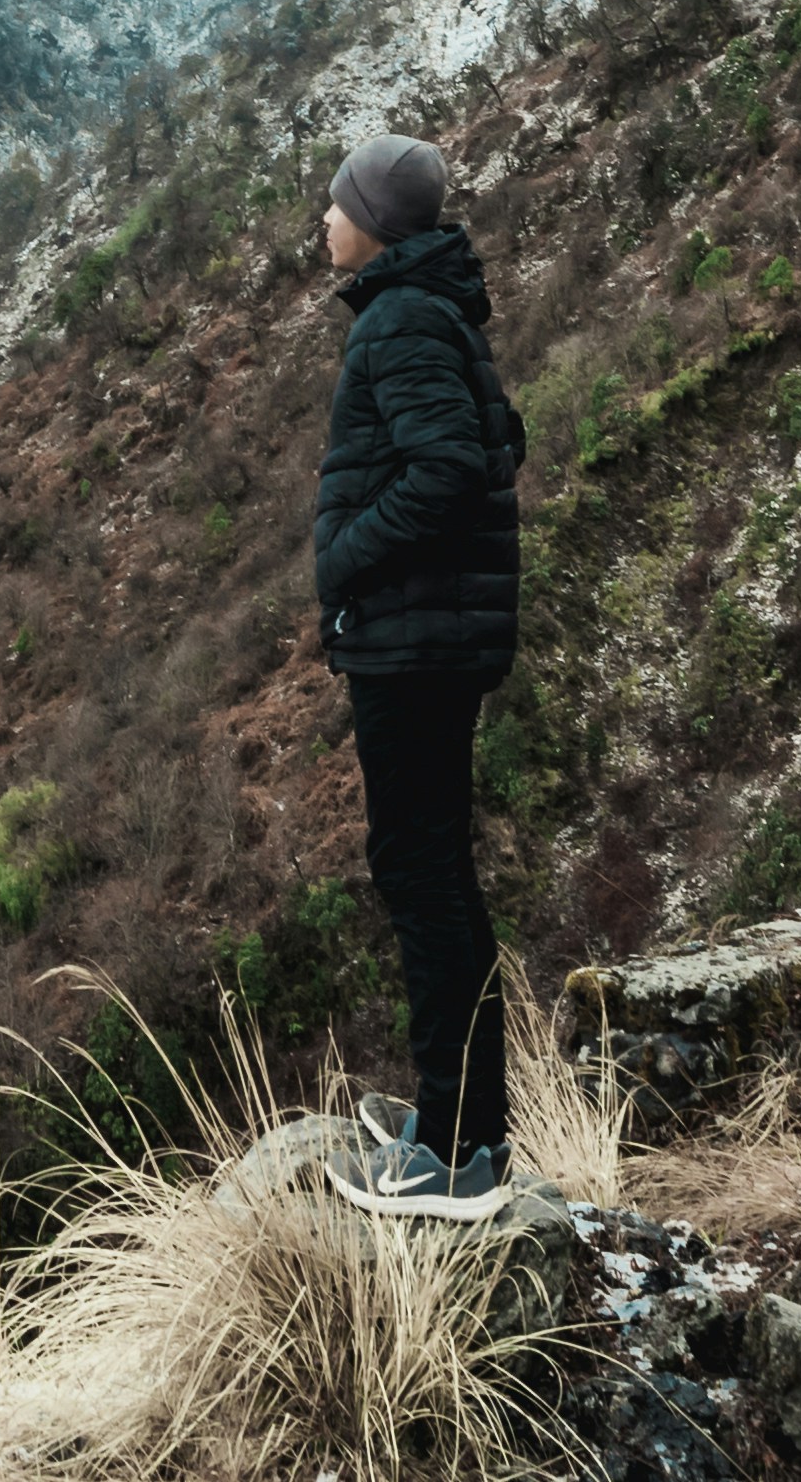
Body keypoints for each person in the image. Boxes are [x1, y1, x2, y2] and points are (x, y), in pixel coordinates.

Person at [304, 132, 530, 1219]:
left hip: (414, 647)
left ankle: (449, 1154)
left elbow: (448, 468)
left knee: (420, 875)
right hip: (428, 637)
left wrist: (344, 558)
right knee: (435, 872)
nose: (324, 218)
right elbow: (498, 442)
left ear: (377, 224)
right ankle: (466, 1130)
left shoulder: (399, 318)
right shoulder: (431, 310)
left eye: (338, 202)